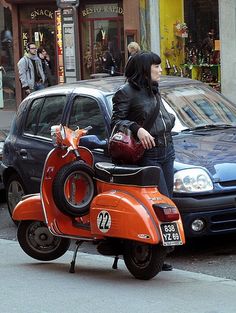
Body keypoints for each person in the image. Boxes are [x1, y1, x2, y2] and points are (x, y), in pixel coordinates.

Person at [111, 51, 175, 271]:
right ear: (144, 69)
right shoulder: (126, 93)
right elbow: (116, 121)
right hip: (149, 154)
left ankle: (159, 253)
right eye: (155, 66)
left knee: (168, 203)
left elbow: (162, 117)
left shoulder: (154, 89)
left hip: (168, 149)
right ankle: (149, 253)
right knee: (159, 204)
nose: (159, 69)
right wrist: (137, 129)